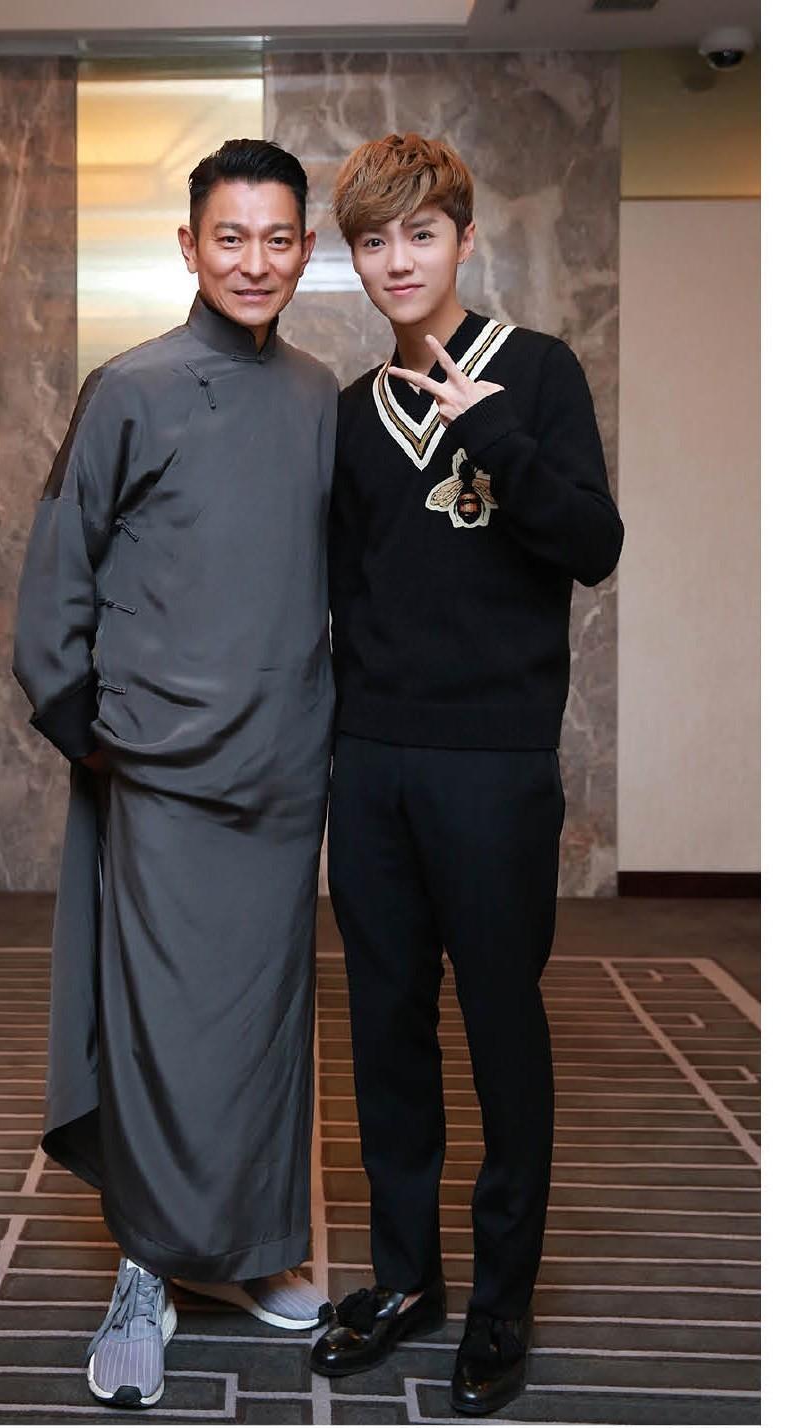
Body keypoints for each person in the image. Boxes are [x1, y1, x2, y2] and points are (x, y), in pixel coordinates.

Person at [13, 138, 338, 1410]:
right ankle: (144, 1270)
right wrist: (93, 730)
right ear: (190, 246)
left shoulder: (317, 393)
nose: (253, 261)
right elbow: (57, 576)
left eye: (277, 239)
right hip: (157, 771)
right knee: (160, 1034)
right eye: (229, 237)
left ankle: (249, 1253)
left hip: (282, 773)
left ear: (302, 251)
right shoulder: (129, 389)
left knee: (261, 1032)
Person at [309, 133, 624, 1417]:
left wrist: (491, 433)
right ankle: (405, 1280)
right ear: (354, 258)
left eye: (420, 234)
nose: (397, 260)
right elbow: (342, 597)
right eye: (372, 240)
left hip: (493, 767)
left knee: (499, 1028)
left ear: (464, 239)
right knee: (385, 1027)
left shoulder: (534, 375)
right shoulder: (347, 415)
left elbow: (592, 544)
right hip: (373, 763)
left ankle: (500, 1301)